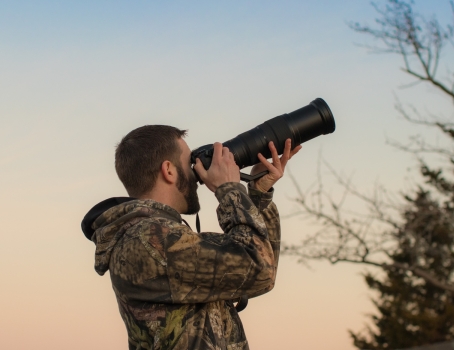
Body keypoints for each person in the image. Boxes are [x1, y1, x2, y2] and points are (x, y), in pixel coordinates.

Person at [81, 125, 301, 350]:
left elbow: (262, 271)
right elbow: (258, 268)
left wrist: (258, 193)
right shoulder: (148, 239)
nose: (197, 172)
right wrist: (230, 189)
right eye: (190, 162)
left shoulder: (161, 236)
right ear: (168, 170)